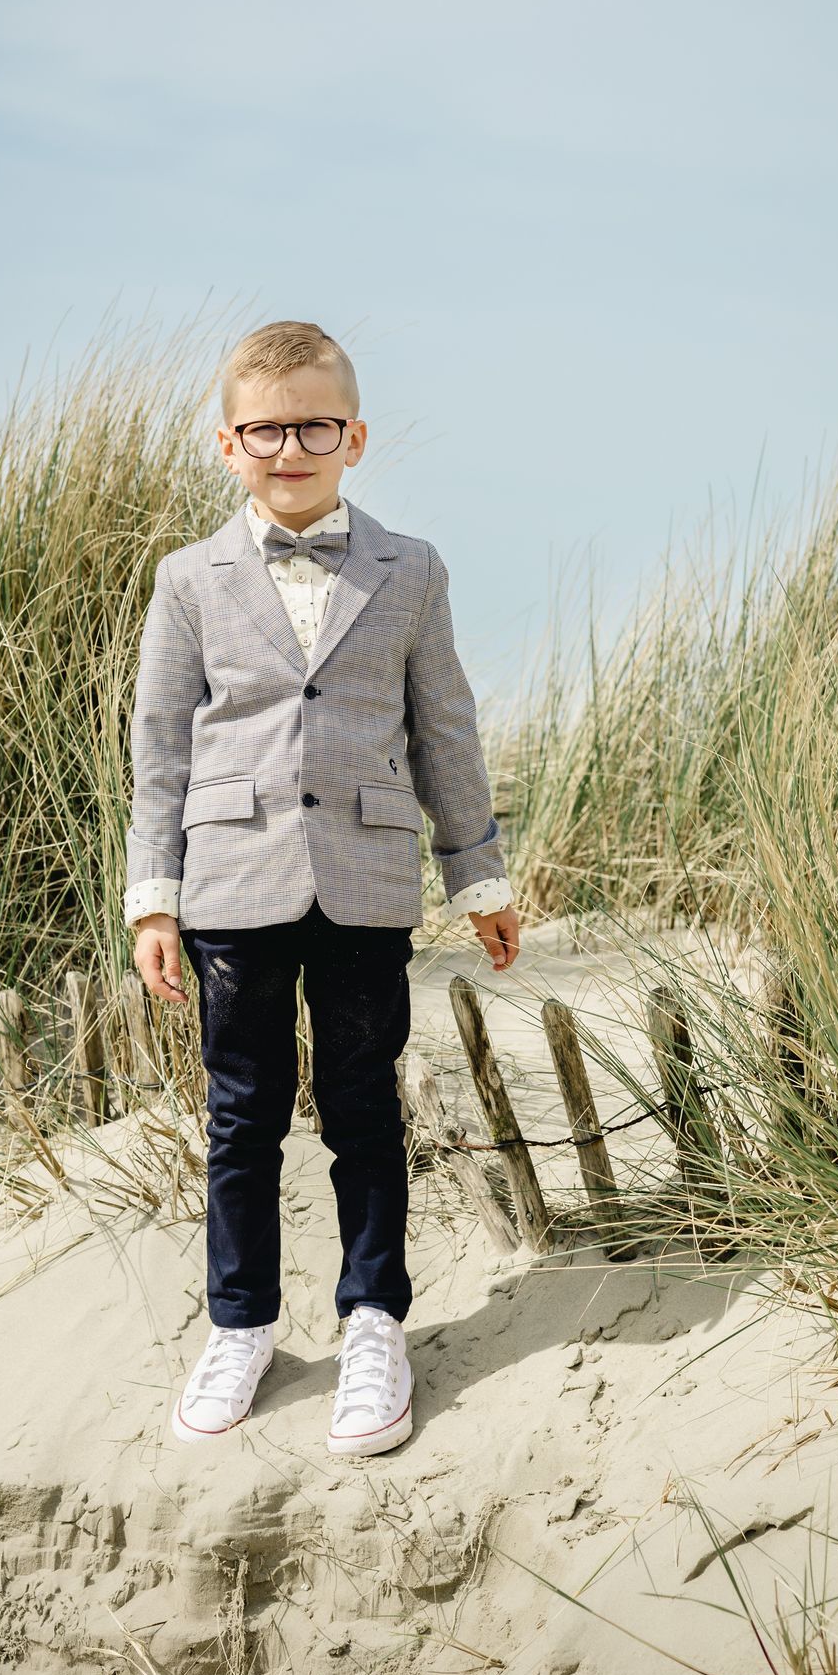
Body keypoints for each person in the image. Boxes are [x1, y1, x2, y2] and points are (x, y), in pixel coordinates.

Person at [125, 320, 519, 1456]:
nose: (286, 447)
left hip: (365, 874)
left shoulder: (412, 569)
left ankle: (372, 1322)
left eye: (310, 427)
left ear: (351, 436)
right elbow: (161, 745)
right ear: (225, 442)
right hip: (230, 880)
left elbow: (445, 727)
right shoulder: (186, 580)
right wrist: (154, 898)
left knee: (362, 1109)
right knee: (241, 1116)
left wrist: (478, 875)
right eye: (263, 430)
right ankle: (240, 1324)